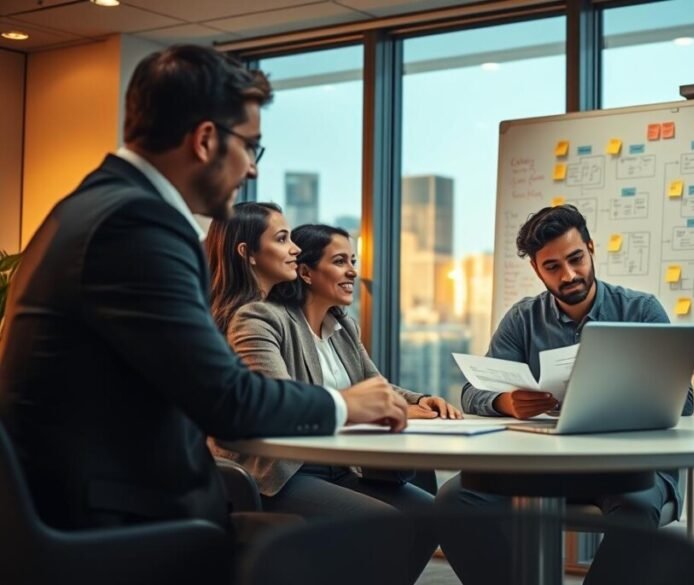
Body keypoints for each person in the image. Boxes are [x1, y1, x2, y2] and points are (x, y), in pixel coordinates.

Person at [0, 45, 408, 541]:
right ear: (206, 139)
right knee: (373, 535)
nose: (252, 169)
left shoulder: (92, 205)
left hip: (83, 506)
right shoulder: (137, 225)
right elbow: (227, 402)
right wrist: (345, 405)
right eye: (250, 147)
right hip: (117, 523)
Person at [436, 204, 694, 585]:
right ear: (537, 269)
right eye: (553, 266)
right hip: (541, 465)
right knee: (453, 500)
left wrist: (617, 394)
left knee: (638, 507)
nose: (569, 275)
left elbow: (683, 402)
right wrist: (505, 402)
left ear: (591, 248)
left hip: (625, 466)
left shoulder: (640, 310)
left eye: (576, 259)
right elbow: (473, 392)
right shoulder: (523, 319)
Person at [209, 222, 461, 583]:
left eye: (352, 261)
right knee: (384, 524)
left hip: (340, 467)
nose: (353, 271)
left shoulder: (343, 326)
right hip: (283, 472)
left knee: (432, 515)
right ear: (306, 272)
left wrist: (420, 400)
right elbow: (280, 400)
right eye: (340, 261)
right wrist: (367, 409)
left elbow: (375, 385)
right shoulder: (264, 318)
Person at [207, 201, 300, 333]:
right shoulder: (252, 320)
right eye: (281, 239)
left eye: (290, 238)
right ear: (247, 252)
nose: (296, 249)